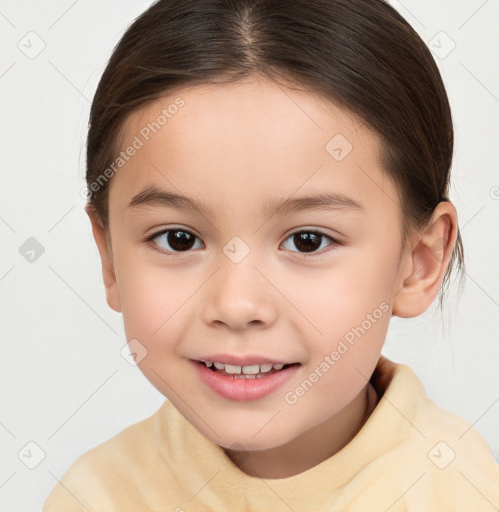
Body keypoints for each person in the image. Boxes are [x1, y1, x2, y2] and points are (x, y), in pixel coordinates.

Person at [43, 0, 499, 510]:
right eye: (178, 239)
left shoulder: (465, 493)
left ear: (419, 262)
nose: (237, 305)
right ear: (109, 259)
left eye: (308, 240)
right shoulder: (95, 495)